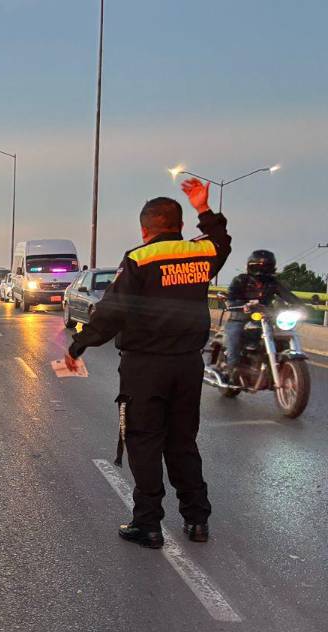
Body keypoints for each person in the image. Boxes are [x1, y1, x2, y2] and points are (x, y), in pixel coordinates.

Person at [65, 179, 231, 548]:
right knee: (183, 441)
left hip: (145, 368)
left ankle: (148, 525)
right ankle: (197, 520)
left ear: (145, 229)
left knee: (143, 440)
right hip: (188, 365)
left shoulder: (139, 258)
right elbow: (223, 242)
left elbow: (112, 311)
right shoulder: (200, 253)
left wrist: (79, 344)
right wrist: (204, 207)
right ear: (180, 226)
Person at [220, 249, 303, 384]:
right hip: (239, 318)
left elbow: (288, 296)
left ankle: (274, 366)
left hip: (265, 318)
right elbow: (231, 297)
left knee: (280, 336)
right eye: (258, 266)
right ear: (251, 266)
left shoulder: (273, 283)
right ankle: (230, 370)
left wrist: (303, 306)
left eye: (266, 267)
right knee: (234, 336)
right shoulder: (241, 280)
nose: (262, 270)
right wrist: (242, 305)